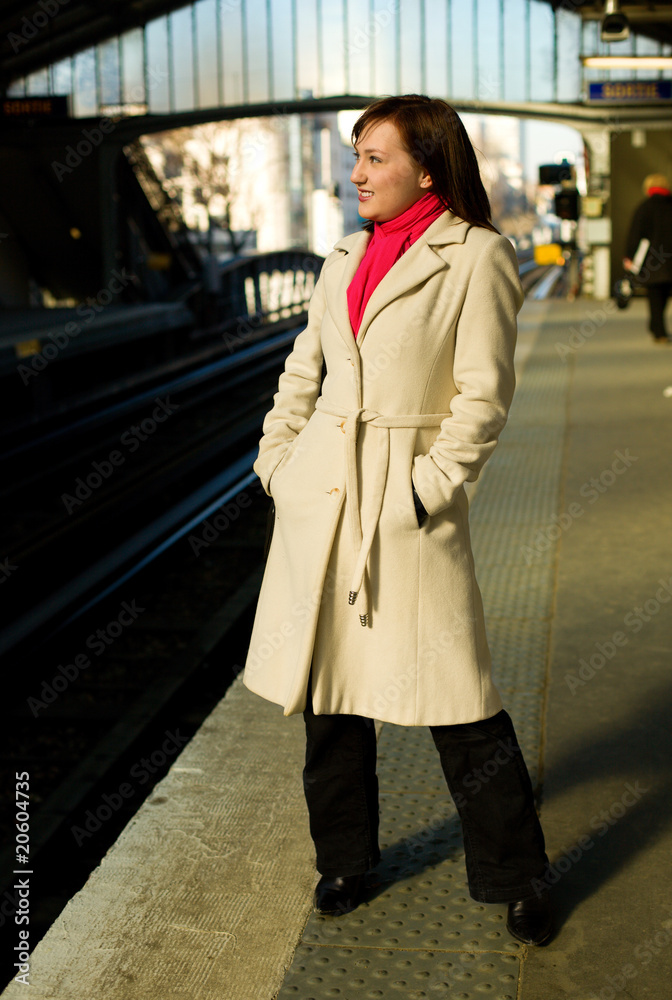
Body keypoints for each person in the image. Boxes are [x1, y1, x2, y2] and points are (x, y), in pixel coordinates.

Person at [242, 95, 552, 946]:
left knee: (460, 697)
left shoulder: (478, 255)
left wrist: (430, 486)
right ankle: (344, 860)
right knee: (330, 698)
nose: (357, 174)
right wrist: (278, 464)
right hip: (323, 498)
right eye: (356, 157)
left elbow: (485, 396)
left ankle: (517, 875)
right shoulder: (343, 255)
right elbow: (302, 372)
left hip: (405, 499)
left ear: (427, 165)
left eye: (374, 158)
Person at [623, 172, 672, 343]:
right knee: (665, 296)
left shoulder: (644, 207)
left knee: (655, 296)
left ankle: (658, 331)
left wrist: (629, 256)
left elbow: (635, 234)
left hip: (652, 261)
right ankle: (657, 327)